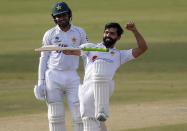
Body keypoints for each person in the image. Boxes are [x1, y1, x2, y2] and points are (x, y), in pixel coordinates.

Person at [62, 22, 148, 131]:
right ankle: (100, 113)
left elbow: (142, 48)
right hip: (87, 88)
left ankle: (101, 110)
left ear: (118, 37)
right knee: (96, 122)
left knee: (89, 119)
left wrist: (134, 31)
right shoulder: (91, 47)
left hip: (104, 86)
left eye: (112, 33)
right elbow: (73, 51)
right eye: (106, 32)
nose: (108, 35)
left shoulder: (119, 54)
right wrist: (65, 49)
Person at [34, 1, 88, 131]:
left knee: (79, 113)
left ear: (69, 15)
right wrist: (40, 82)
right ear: (54, 18)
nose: (61, 18)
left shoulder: (79, 32)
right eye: (58, 16)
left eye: (64, 15)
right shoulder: (50, 34)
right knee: (55, 115)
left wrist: (88, 78)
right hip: (53, 76)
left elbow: (86, 55)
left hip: (72, 76)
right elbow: (43, 58)